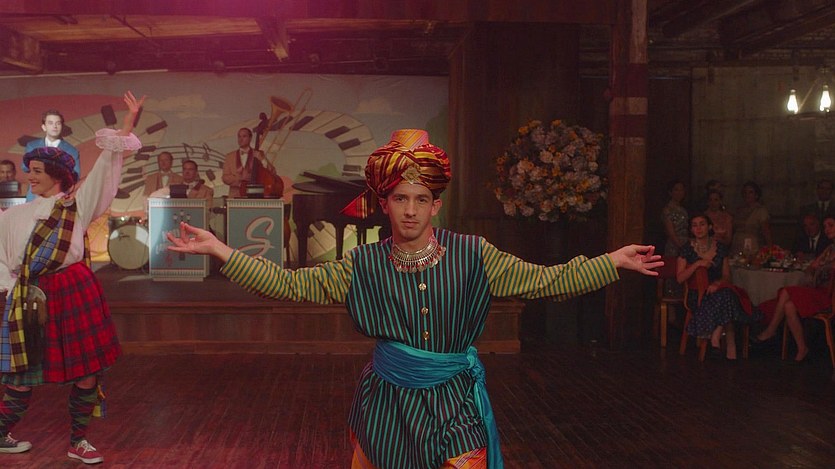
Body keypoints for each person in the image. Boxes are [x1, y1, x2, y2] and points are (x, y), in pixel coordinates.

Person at [167, 129, 663, 468]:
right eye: (400, 199)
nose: (410, 210)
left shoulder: (474, 255)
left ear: (435, 205)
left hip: (455, 403)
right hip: (389, 406)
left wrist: (611, 262)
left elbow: (547, 280)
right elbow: (289, 285)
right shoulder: (362, 264)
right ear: (384, 204)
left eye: (420, 199)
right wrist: (221, 251)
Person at [0, 91, 144, 463]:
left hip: (73, 289)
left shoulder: (75, 206)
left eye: (36, 171)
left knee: (87, 371)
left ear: (56, 175)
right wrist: (14, 287)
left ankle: (79, 440)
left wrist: (126, 127)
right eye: (29, 170)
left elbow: (104, 169)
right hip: (30, 296)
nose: (29, 176)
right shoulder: (13, 216)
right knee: (20, 375)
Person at [752, 215, 835, 362]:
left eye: (831, 225)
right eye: (825, 226)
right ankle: (802, 348)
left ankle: (770, 331)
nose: (827, 229)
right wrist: (816, 269)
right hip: (818, 289)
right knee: (789, 306)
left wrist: (820, 269)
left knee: (786, 291)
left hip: (829, 295)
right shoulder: (829, 249)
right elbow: (811, 268)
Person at [678, 214, 760, 360]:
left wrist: (717, 284)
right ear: (691, 229)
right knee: (728, 297)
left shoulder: (720, 248)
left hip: (718, 291)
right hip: (698, 295)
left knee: (725, 294)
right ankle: (730, 345)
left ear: (709, 227)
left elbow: (727, 276)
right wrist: (697, 264)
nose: (698, 228)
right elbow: (680, 278)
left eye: (702, 224)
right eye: (695, 225)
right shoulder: (686, 249)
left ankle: (715, 337)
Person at [23, 109, 80, 202]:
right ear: (44, 127)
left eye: (58, 123)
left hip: (59, 198)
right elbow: (25, 167)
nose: (55, 126)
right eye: (50, 123)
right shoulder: (32, 146)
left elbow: (75, 176)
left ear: (62, 126)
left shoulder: (71, 150)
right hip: (34, 198)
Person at [221, 127, 282, 198]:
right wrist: (240, 179)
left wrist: (262, 159)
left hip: (256, 195)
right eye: (239, 136)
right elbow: (225, 178)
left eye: (244, 136)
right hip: (235, 196)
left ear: (250, 138)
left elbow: (273, 172)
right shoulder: (229, 156)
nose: (241, 139)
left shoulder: (259, 154)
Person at [731, 181, 772, 255]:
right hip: (736, 246)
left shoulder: (761, 211)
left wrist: (770, 250)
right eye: (745, 192)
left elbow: (766, 232)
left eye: (750, 192)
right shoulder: (739, 210)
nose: (747, 195)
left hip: (752, 247)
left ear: (756, 195)